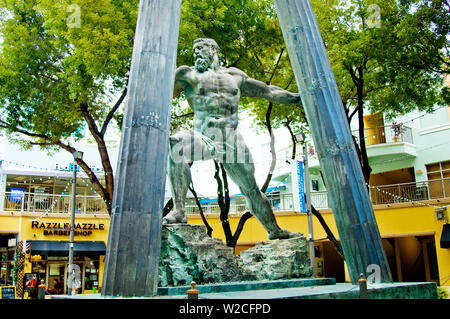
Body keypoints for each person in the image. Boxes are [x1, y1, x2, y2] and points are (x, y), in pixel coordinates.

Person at [164, 38, 301, 240]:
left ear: (213, 50)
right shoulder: (187, 74)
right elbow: (161, 93)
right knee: (175, 145)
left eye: (200, 49)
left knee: (251, 190)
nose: (196, 54)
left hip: (231, 139)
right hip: (204, 136)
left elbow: (269, 91)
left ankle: (275, 231)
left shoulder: (236, 76)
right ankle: (179, 211)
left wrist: (299, 99)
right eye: (194, 50)